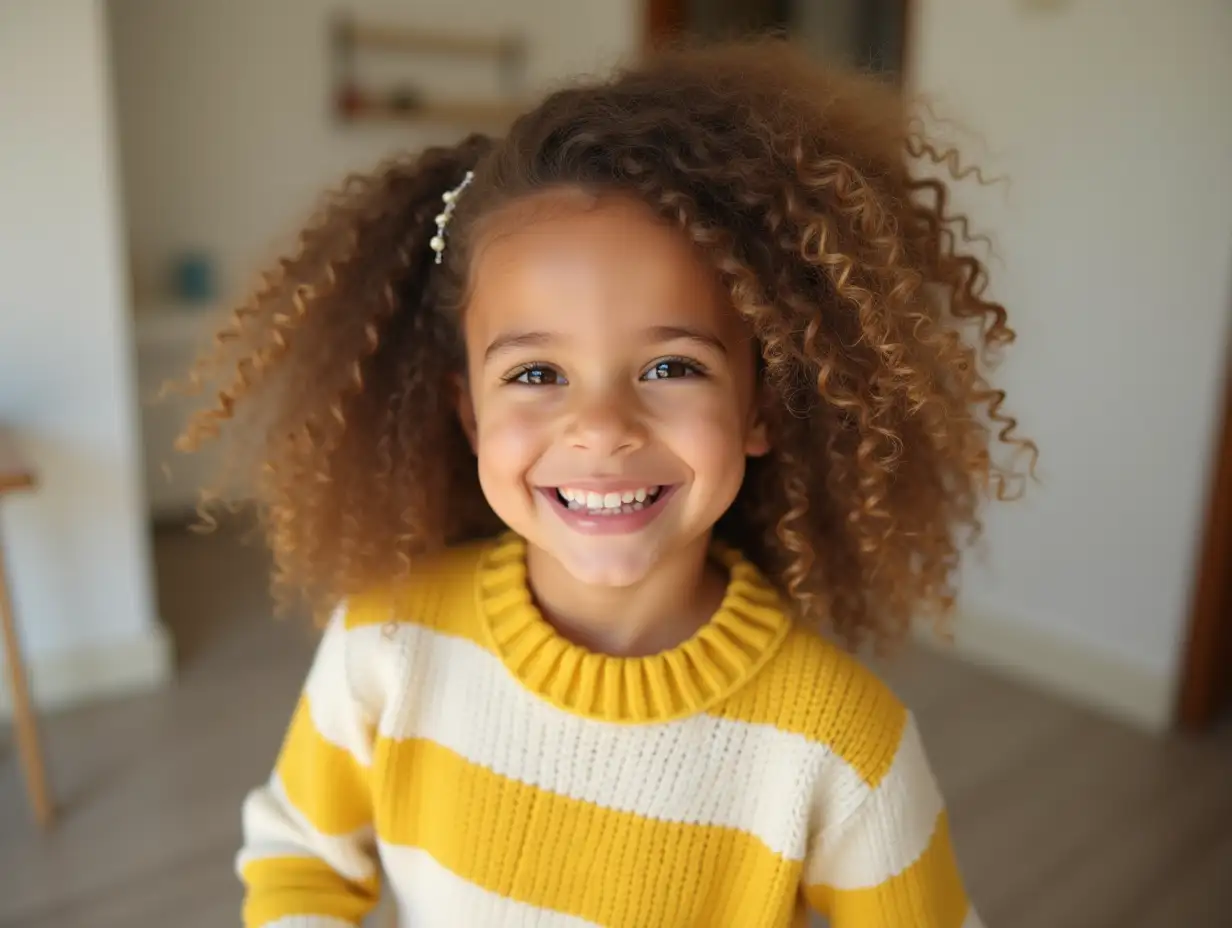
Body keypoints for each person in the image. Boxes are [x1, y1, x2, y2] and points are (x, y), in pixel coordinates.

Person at [180, 39, 1032, 928]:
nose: (601, 428)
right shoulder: (384, 645)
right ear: (470, 415)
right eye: (537, 374)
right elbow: (300, 861)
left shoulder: (840, 747)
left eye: (671, 367)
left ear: (762, 408)